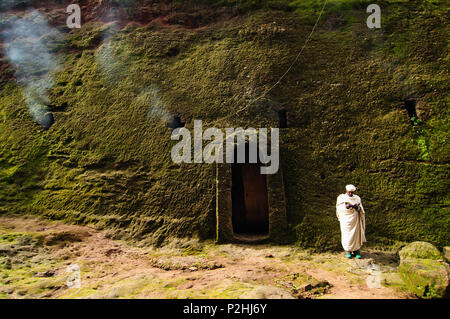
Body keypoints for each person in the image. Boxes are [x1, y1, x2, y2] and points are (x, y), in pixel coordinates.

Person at [336, 184, 366, 259]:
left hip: (355, 220)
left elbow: (361, 210)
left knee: (356, 235)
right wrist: (346, 207)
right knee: (347, 235)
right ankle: (348, 251)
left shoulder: (357, 198)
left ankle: (357, 251)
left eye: (352, 192)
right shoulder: (341, 198)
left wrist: (357, 207)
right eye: (349, 192)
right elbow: (339, 209)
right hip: (345, 220)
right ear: (346, 191)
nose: (351, 193)